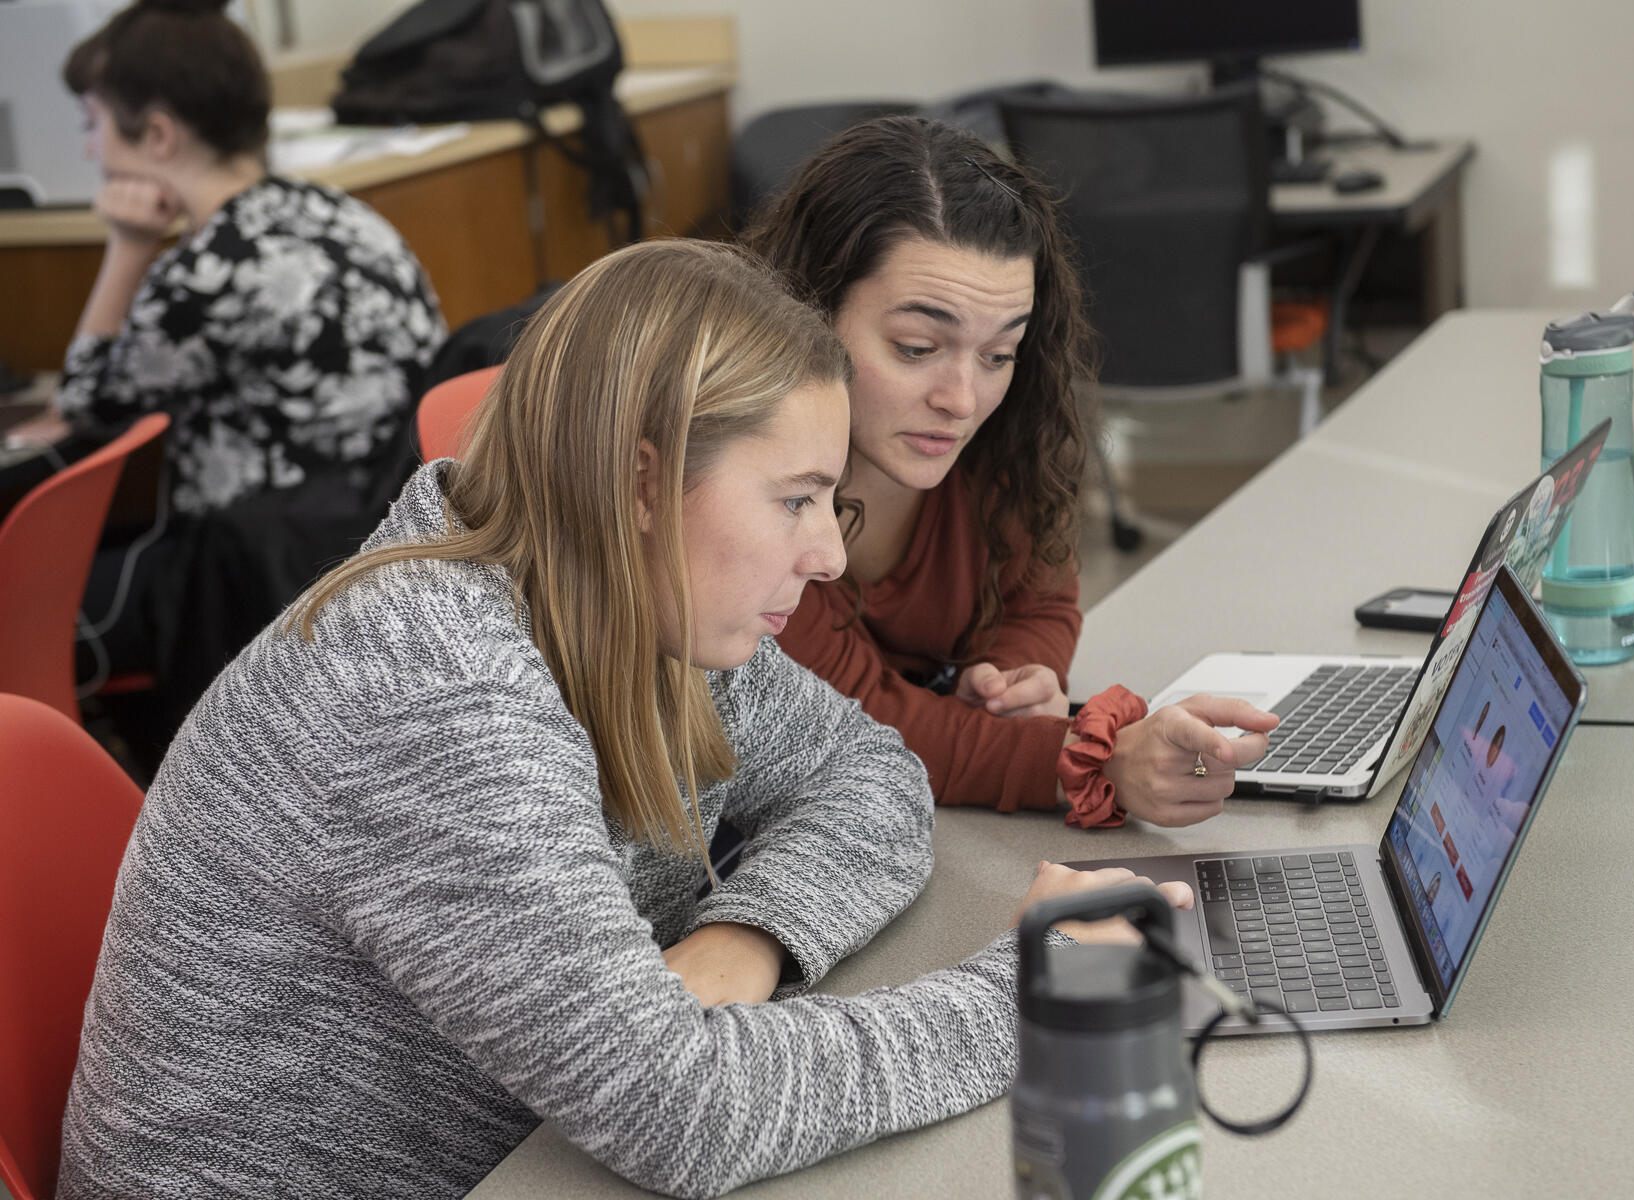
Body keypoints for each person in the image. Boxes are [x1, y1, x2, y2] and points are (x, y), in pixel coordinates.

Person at [56, 239, 1190, 1199]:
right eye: (794, 499)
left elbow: (869, 771)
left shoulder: (636, 602)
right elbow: (682, 1112)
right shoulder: (434, 691)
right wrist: (1038, 989)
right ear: (643, 483)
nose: (830, 551)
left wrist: (744, 939)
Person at [744, 116, 1275, 829]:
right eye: (916, 346)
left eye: (998, 355)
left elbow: (1041, 597)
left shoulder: (1009, 434)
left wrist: (1017, 675)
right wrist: (1099, 760)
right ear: (806, 311)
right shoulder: (746, 493)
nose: (962, 401)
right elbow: (854, 728)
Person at [45, 0, 446, 694]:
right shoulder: (342, 214)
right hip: (379, 559)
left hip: (261, 583)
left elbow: (84, 400)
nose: (89, 150)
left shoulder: (212, 269)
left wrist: (129, 245)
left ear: (159, 134)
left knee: (33, 600)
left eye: (93, 123)